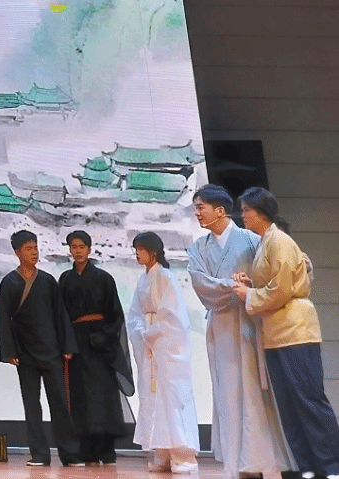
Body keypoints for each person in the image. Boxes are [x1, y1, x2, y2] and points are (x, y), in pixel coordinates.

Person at [231, 187, 339, 477]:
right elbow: (273, 284)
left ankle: (332, 466)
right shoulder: (266, 243)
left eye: (247, 210)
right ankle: (308, 467)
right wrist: (250, 285)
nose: (243, 215)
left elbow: (281, 288)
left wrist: (248, 295)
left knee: (308, 400)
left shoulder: (279, 241)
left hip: (295, 331)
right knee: (289, 405)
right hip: (276, 333)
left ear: (262, 212)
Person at [187, 184, 292, 478]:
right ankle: (236, 465)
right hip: (220, 325)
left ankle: (262, 462)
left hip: (250, 323)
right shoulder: (198, 248)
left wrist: (251, 287)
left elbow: (273, 275)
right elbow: (200, 283)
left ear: (220, 210)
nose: (197, 213)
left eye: (201, 207)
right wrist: (232, 286)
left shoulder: (251, 239)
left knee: (255, 391)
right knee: (228, 394)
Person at [0, 229, 82, 467]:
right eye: (28, 249)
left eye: (35, 247)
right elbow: (4, 318)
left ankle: (70, 454)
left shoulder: (47, 280)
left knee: (60, 404)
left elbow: (60, 314)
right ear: (17, 252)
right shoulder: (9, 282)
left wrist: (67, 345)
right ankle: (40, 454)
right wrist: (9, 351)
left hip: (52, 351)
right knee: (32, 405)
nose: (34, 252)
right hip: (25, 354)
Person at [58, 230, 134, 465]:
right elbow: (60, 315)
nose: (78, 251)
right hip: (76, 346)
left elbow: (116, 315)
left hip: (100, 347)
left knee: (103, 397)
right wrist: (66, 343)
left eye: (82, 246)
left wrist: (103, 337)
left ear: (89, 249)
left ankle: (107, 450)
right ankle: (87, 451)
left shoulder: (104, 278)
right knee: (80, 397)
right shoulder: (65, 279)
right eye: (74, 247)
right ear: (69, 250)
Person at [127, 231, 199, 474]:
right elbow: (135, 313)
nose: (137, 254)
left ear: (153, 252)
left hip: (167, 348)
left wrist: (152, 332)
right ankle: (162, 452)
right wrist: (141, 331)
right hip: (151, 343)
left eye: (141, 249)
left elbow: (173, 316)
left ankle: (183, 455)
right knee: (153, 397)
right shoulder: (143, 279)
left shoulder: (166, 277)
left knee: (172, 396)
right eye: (136, 249)